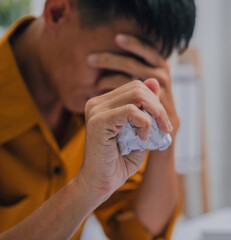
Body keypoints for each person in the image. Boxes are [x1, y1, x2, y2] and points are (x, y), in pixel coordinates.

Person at [0, 0, 196, 239]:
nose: (116, 88)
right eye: (111, 66)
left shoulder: (110, 112)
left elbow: (134, 233)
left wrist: (164, 137)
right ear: (57, 12)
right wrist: (85, 189)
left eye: (137, 72)